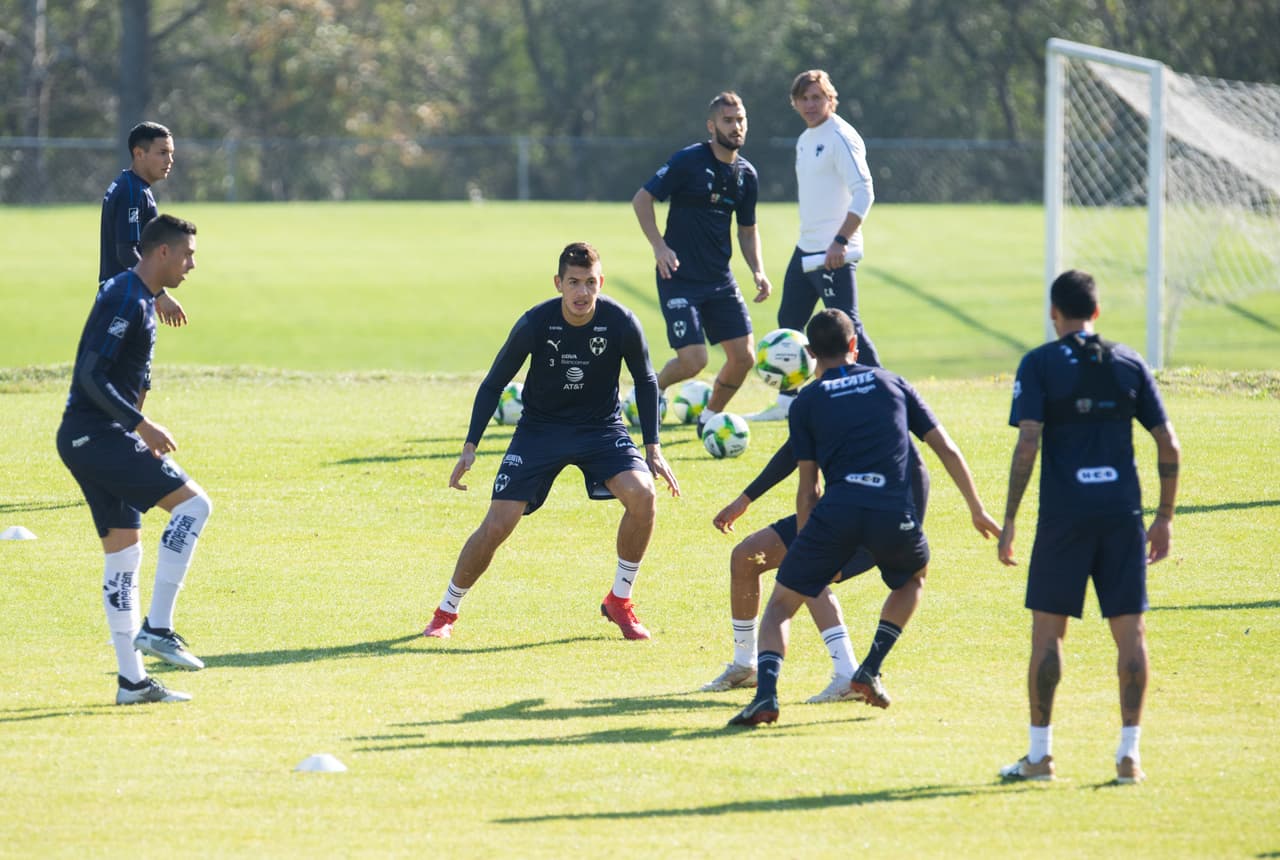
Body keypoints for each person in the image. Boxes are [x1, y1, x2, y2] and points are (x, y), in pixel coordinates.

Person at [728, 309, 999, 727]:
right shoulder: (891, 382)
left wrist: (806, 545)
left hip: (838, 512)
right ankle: (869, 668)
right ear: (854, 346)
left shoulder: (809, 400)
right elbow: (944, 447)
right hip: (894, 510)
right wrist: (976, 508)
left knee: (782, 604)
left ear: (812, 355)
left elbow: (809, 488)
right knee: (912, 580)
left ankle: (766, 695)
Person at [422, 242, 680, 641]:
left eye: (590, 283)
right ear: (558, 283)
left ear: (601, 282)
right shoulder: (535, 324)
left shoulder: (622, 322)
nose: (582, 292)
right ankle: (446, 610)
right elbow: (494, 383)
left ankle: (620, 601)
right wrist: (470, 445)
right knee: (497, 524)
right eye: (573, 282)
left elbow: (646, 381)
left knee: (644, 494)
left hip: (601, 429)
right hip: (540, 430)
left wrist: (653, 448)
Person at [997, 269, 1180, 785]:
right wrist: (1164, 518)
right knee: (1131, 635)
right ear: (1096, 313)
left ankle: (1039, 757)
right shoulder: (1128, 361)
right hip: (1122, 515)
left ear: (1054, 313)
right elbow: (1170, 445)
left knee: (1048, 638)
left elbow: (1028, 442)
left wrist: (1010, 519)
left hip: (1064, 519)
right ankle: (1129, 757)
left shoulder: (1038, 363)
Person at [57, 214, 211, 705]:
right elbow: (90, 376)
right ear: (161, 252)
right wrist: (139, 425)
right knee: (194, 507)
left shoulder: (142, 298)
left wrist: (136, 425)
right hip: (96, 436)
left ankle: (132, 682)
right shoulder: (125, 296)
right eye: (187, 254)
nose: (192, 264)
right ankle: (159, 627)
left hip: (96, 436)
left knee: (124, 555)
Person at [705, 431, 930, 703]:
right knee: (746, 556)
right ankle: (745, 664)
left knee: (809, 575)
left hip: (878, 516)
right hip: (834, 511)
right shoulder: (816, 400)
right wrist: (745, 499)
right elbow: (793, 451)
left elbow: (924, 455)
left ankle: (847, 673)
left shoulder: (875, 396)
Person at [632, 91, 771, 432]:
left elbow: (748, 230)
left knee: (744, 358)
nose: (736, 127)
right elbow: (642, 199)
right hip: (678, 276)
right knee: (694, 360)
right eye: (728, 120)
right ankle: (656, 388)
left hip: (720, 280)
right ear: (712, 125)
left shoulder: (746, 175)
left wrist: (758, 270)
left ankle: (708, 420)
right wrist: (659, 247)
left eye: (741, 120)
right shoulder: (688, 161)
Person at [749, 70, 877, 422]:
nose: (809, 104)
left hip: (833, 253)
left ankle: (881, 391)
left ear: (830, 99)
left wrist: (840, 241)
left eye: (816, 97)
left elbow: (865, 191)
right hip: (806, 248)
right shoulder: (807, 138)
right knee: (789, 322)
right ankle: (788, 402)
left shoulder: (840, 136)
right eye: (803, 98)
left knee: (848, 328)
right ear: (794, 102)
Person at [100, 121, 186, 328]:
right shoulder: (132, 192)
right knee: (110, 357)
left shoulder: (134, 187)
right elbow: (126, 251)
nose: (170, 160)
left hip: (126, 294)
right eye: (162, 153)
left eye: (171, 153)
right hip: (122, 298)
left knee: (129, 359)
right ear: (139, 154)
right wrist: (159, 293)